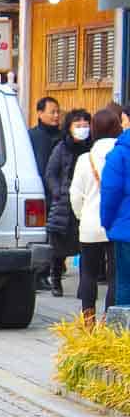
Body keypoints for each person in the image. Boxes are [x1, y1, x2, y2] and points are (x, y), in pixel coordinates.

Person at [70, 106, 121, 325]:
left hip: (90, 224)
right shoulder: (122, 155)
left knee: (88, 273)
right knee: (114, 276)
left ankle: (88, 320)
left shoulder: (85, 159)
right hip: (117, 224)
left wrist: (82, 216)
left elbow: (75, 195)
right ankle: (108, 320)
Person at [44, 109, 92, 297]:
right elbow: (51, 173)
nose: (82, 129)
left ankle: (85, 284)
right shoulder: (61, 147)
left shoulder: (92, 148)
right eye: (78, 126)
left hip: (86, 201)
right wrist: (58, 192)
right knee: (59, 247)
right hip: (64, 203)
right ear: (69, 128)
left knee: (86, 246)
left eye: (85, 125)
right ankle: (55, 279)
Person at [30, 97, 62, 290]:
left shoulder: (61, 137)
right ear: (40, 113)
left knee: (56, 234)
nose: (56, 116)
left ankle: (52, 270)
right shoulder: (31, 136)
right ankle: (39, 274)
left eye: (58, 112)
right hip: (39, 190)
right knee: (41, 234)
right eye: (52, 112)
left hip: (57, 191)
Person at [101, 104, 130, 307]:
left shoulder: (119, 154)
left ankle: (123, 334)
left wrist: (107, 223)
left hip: (126, 230)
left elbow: (110, 192)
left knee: (124, 284)